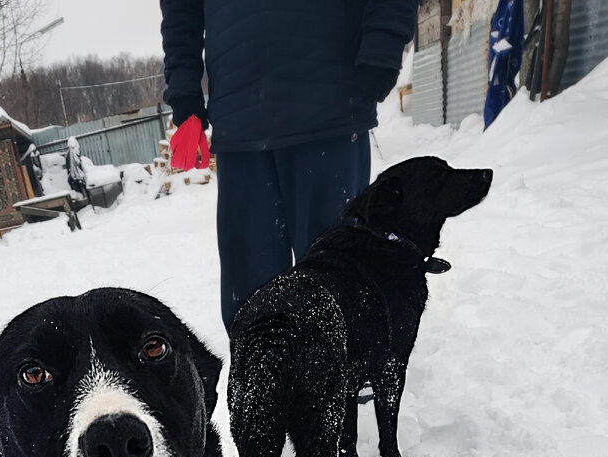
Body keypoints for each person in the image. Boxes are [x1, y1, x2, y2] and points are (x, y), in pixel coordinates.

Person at [160, 0, 419, 331]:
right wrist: (184, 91)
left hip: (329, 105)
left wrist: (384, 39)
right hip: (240, 122)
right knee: (252, 294)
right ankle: (260, 377)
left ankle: (346, 372)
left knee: (339, 274)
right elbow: (181, 9)